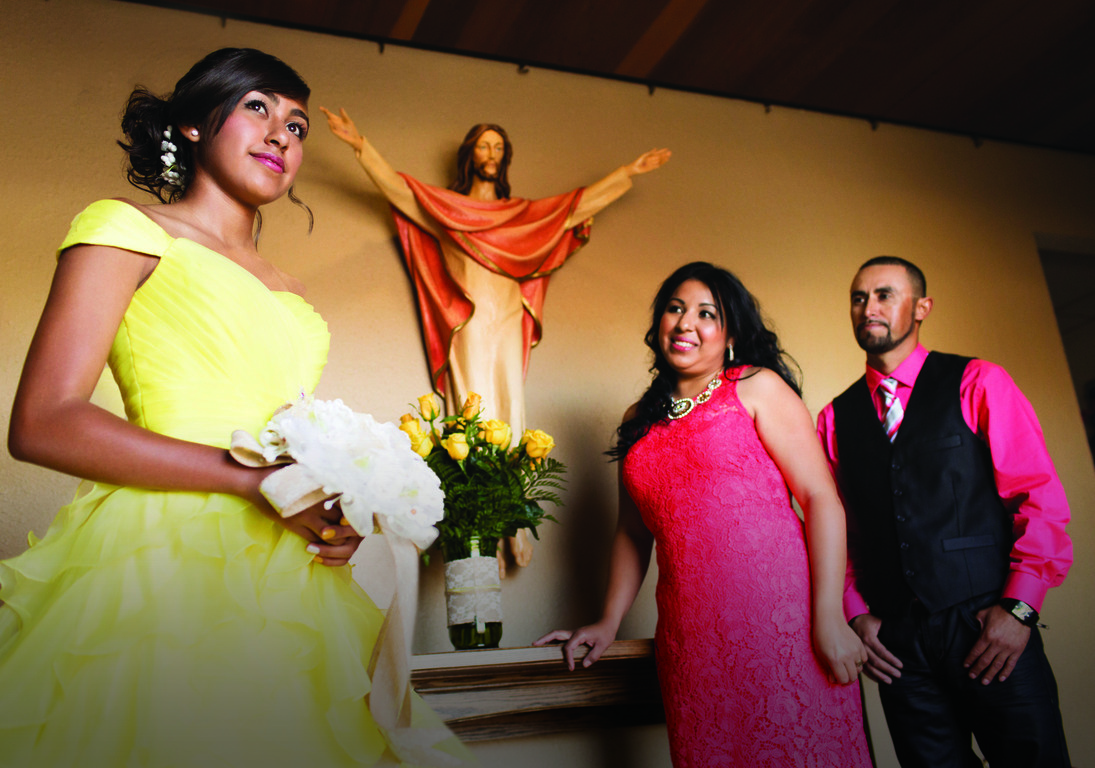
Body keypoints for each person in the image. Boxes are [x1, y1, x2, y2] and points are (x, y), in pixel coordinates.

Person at [1, 48, 475, 767]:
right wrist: (253, 480)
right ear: (193, 124)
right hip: (159, 548)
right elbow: (44, 420)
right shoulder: (129, 229)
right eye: (259, 107)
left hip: (290, 575)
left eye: (298, 125)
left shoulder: (292, 292)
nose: (283, 134)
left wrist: (330, 511)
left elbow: (290, 437)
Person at [535, 262, 872, 767]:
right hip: (691, 640)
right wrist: (608, 621)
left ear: (730, 332)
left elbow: (822, 500)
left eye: (706, 313)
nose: (686, 323)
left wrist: (829, 617)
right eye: (675, 309)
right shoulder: (637, 421)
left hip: (784, 628)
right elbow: (632, 532)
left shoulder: (756, 388)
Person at [322, 110, 668, 568]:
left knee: (511, 413)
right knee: (471, 415)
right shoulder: (447, 211)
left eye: (499, 148)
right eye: (484, 146)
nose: (491, 154)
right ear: (470, 154)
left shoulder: (521, 217)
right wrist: (359, 143)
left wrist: (629, 172)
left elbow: (574, 207)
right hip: (469, 322)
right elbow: (400, 191)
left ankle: (516, 521)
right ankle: (481, 525)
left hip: (507, 322)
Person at [816, 256, 1073, 767]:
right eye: (859, 297)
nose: (869, 307)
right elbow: (837, 529)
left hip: (988, 626)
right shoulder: (833, 417)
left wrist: (1020, 609)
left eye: (885, 294)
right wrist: (856, 614)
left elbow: (1039, 499)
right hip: (899, 649)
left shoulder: (979, 380)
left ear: (922, 307)